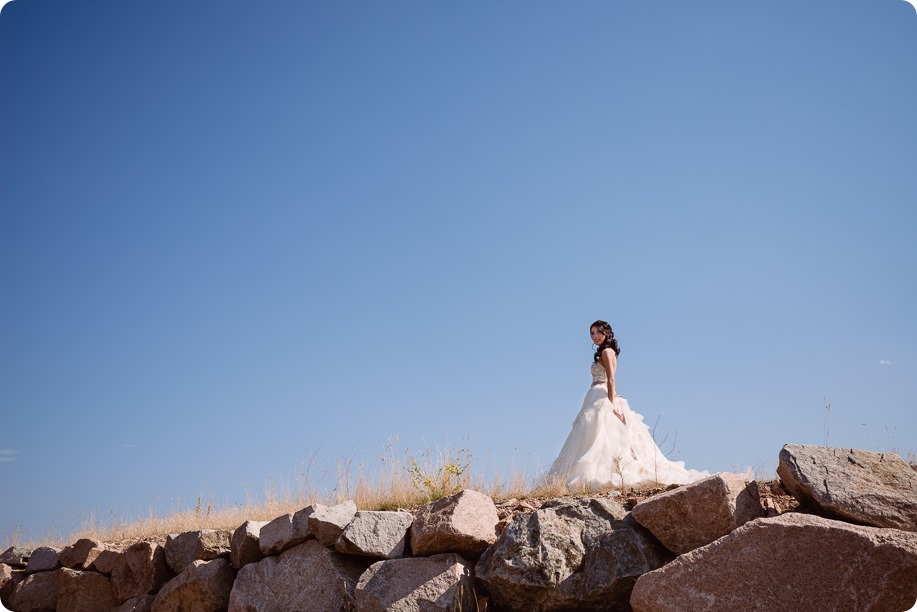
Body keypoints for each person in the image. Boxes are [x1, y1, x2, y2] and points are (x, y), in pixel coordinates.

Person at [547, 320, 710, 488]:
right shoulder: (603, 352)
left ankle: (607, 472)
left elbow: (611, 378)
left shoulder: (607, 352)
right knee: (594, 435)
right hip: (595, 394)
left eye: (598, 333)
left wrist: (612, 403)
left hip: (602, 395)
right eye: (592, 333)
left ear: (606, 333)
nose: (595, 336)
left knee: (603, 434)